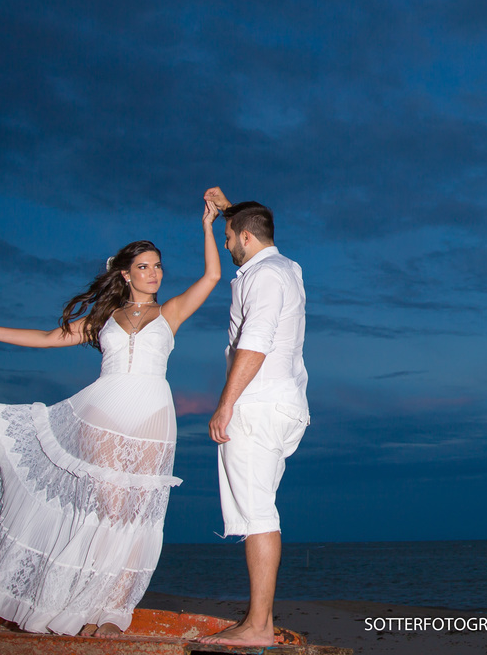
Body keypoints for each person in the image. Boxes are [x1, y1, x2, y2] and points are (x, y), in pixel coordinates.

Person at [0, 198, 221, 637]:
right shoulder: (105, 318)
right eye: (144, 266)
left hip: (155, 418)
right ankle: (81, 605)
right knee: (105, 510)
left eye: (158, 266)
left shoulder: (171, 312)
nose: (154, 273)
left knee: (137, 517)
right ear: (125, 273)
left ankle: (112, 614)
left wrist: (207, 227)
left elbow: (214, 276)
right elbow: (48, 338)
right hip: (102, 413)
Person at [196, 187, 309, 648]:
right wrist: (228, 208)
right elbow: (255, 223)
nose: (225, 244)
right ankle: (255, 620)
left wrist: (226, 403)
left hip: (257, 404)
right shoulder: (286, 268)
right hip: (282, 405)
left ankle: (259, 626)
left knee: (260, 511)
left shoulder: (263, 276)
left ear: (244, 238)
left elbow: (255, 340)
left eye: (227, 237)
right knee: (260, 507)